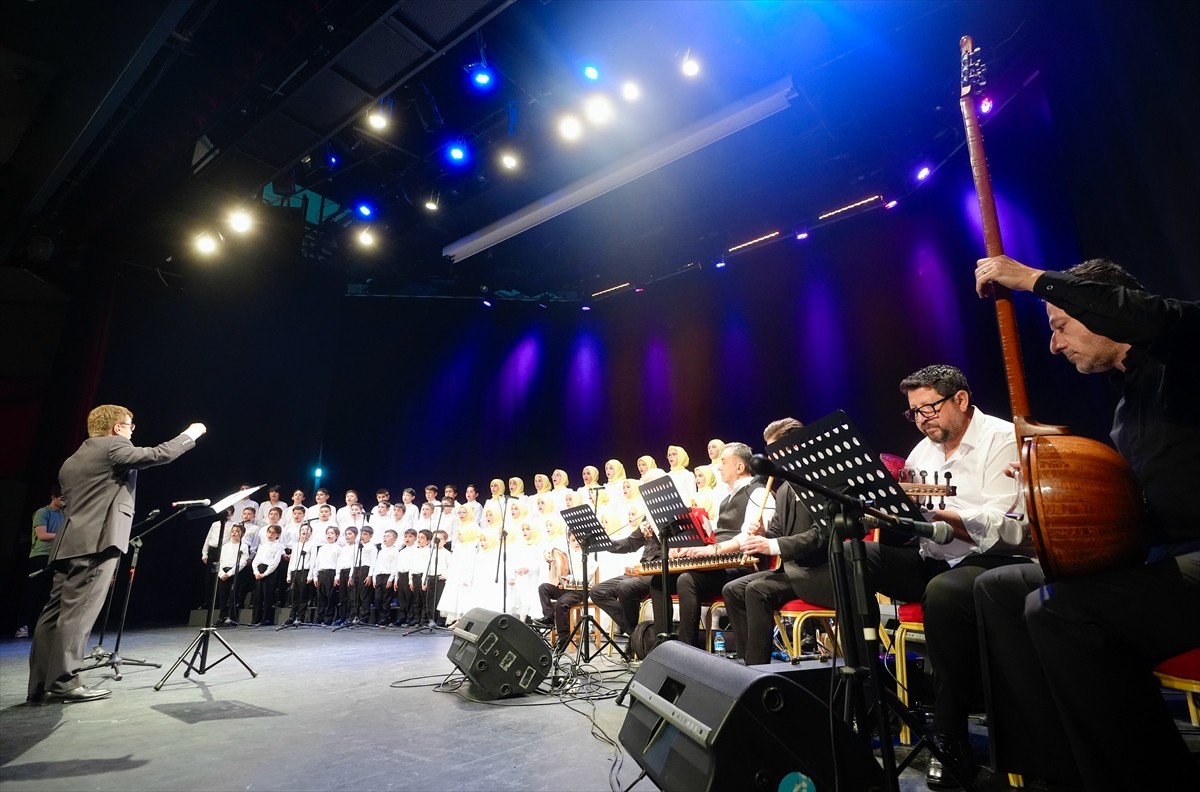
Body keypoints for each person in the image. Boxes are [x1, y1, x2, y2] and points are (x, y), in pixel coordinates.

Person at [972, 255, 1200, 790]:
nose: (1055, 344)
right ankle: (1054, 771)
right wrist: (1052, 479)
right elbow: (1139, 503)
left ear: (1100, 310)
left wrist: (1030, 281)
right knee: (997, 588)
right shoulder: (1127, 409)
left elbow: (1153, 317)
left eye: (1061, 325)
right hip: (1161, 562)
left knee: (1061, 612)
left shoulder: (1186, 355)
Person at [857, 364, 1033, 788]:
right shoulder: (922, 453)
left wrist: (938, 516)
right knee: (852, 554)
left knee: (944, 591)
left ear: (960, 400)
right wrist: (890, 514)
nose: (922, 418)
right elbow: (914, 525)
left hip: (994, 560)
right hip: (935, 557)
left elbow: (1008, 525)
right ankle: (869, 697)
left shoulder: (1001, 438)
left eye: (929, 407)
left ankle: (950, 737)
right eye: (914, 412)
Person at [28, 406, 204, 703]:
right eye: (130, 425)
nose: (133, 429)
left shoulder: (73, 458)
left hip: (69, 544)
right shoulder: (113, 446)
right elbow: (156, 455)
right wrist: (190, 435)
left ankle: (41, 683)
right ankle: (65, 682)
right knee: (78, 614)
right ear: (116, 428)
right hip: (96, 542)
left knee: (54, 614)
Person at [722, 418, 833, 666]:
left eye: (776, 450)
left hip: (819, 573)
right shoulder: (784, 488)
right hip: (792, 571)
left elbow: (821, 535)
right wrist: (763, 535)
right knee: (732, 589)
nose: (772, 457)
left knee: (757, 590)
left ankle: (757, 668)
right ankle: (744, 660)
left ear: (796, 447)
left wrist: (771, 546)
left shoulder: (818, 482)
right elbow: (776, 532)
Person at [649, 442, 768, 650]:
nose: (719, 467)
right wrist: (690, 547)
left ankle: (687, 650)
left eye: (724, 462)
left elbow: (747, 537)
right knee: (660, 581)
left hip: (739, 565)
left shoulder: (756, 492)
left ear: (739, 468)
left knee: (688, 580)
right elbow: (713, 537)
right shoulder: (725, 499)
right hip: (717, 562)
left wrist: (713, 550)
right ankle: (662, 647)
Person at [590, 507, 661, 637]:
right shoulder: (648, 518)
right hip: (642, 571)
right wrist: (606, 543)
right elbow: (630, 543)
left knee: (626, 587)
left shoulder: (672, 517)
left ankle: (635, 638)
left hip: (659, 572)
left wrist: (655, 531)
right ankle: (636, 633)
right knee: (597, 592)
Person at [16, 487, 65, 639]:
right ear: (53, 497)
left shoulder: (64, 515)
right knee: (33, 593)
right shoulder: (43, 512)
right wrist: (62, 535)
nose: (64, 501)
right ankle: (22, 626)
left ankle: (44, 627)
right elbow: (42, 535)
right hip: (40, 556)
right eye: (62, 498)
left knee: (50, 594)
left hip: (57, 556)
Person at [249, 524, 284, 626]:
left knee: (268, 595)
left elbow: (275, 562)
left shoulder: (279, 546)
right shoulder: (262, 545)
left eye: (273, 533)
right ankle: (256, 619)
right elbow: (256, 560)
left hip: (269, 572)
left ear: (277, 535)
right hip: (259, 571)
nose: (270, 534)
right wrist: (256, 572)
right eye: (269, 532)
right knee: (257, 596)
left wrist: (265, 573)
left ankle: (266, 619)